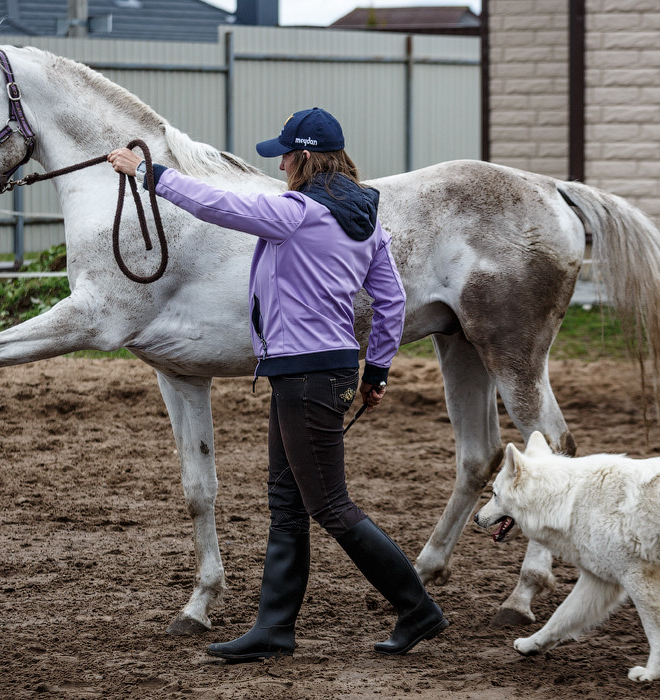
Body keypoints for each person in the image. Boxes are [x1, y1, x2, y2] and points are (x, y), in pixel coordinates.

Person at [108, 108, 447, 661]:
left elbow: (223, 205)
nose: (281, 164)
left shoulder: (298, 211)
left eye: (286, 155)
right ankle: (274, 628)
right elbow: (391, 300)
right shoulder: (368, 220)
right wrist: (377, 370)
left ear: (307, 157)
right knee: (287, 503)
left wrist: (153, 176)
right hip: (318, 369)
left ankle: (417, 609)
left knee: (330, 505)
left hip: (306, 371)